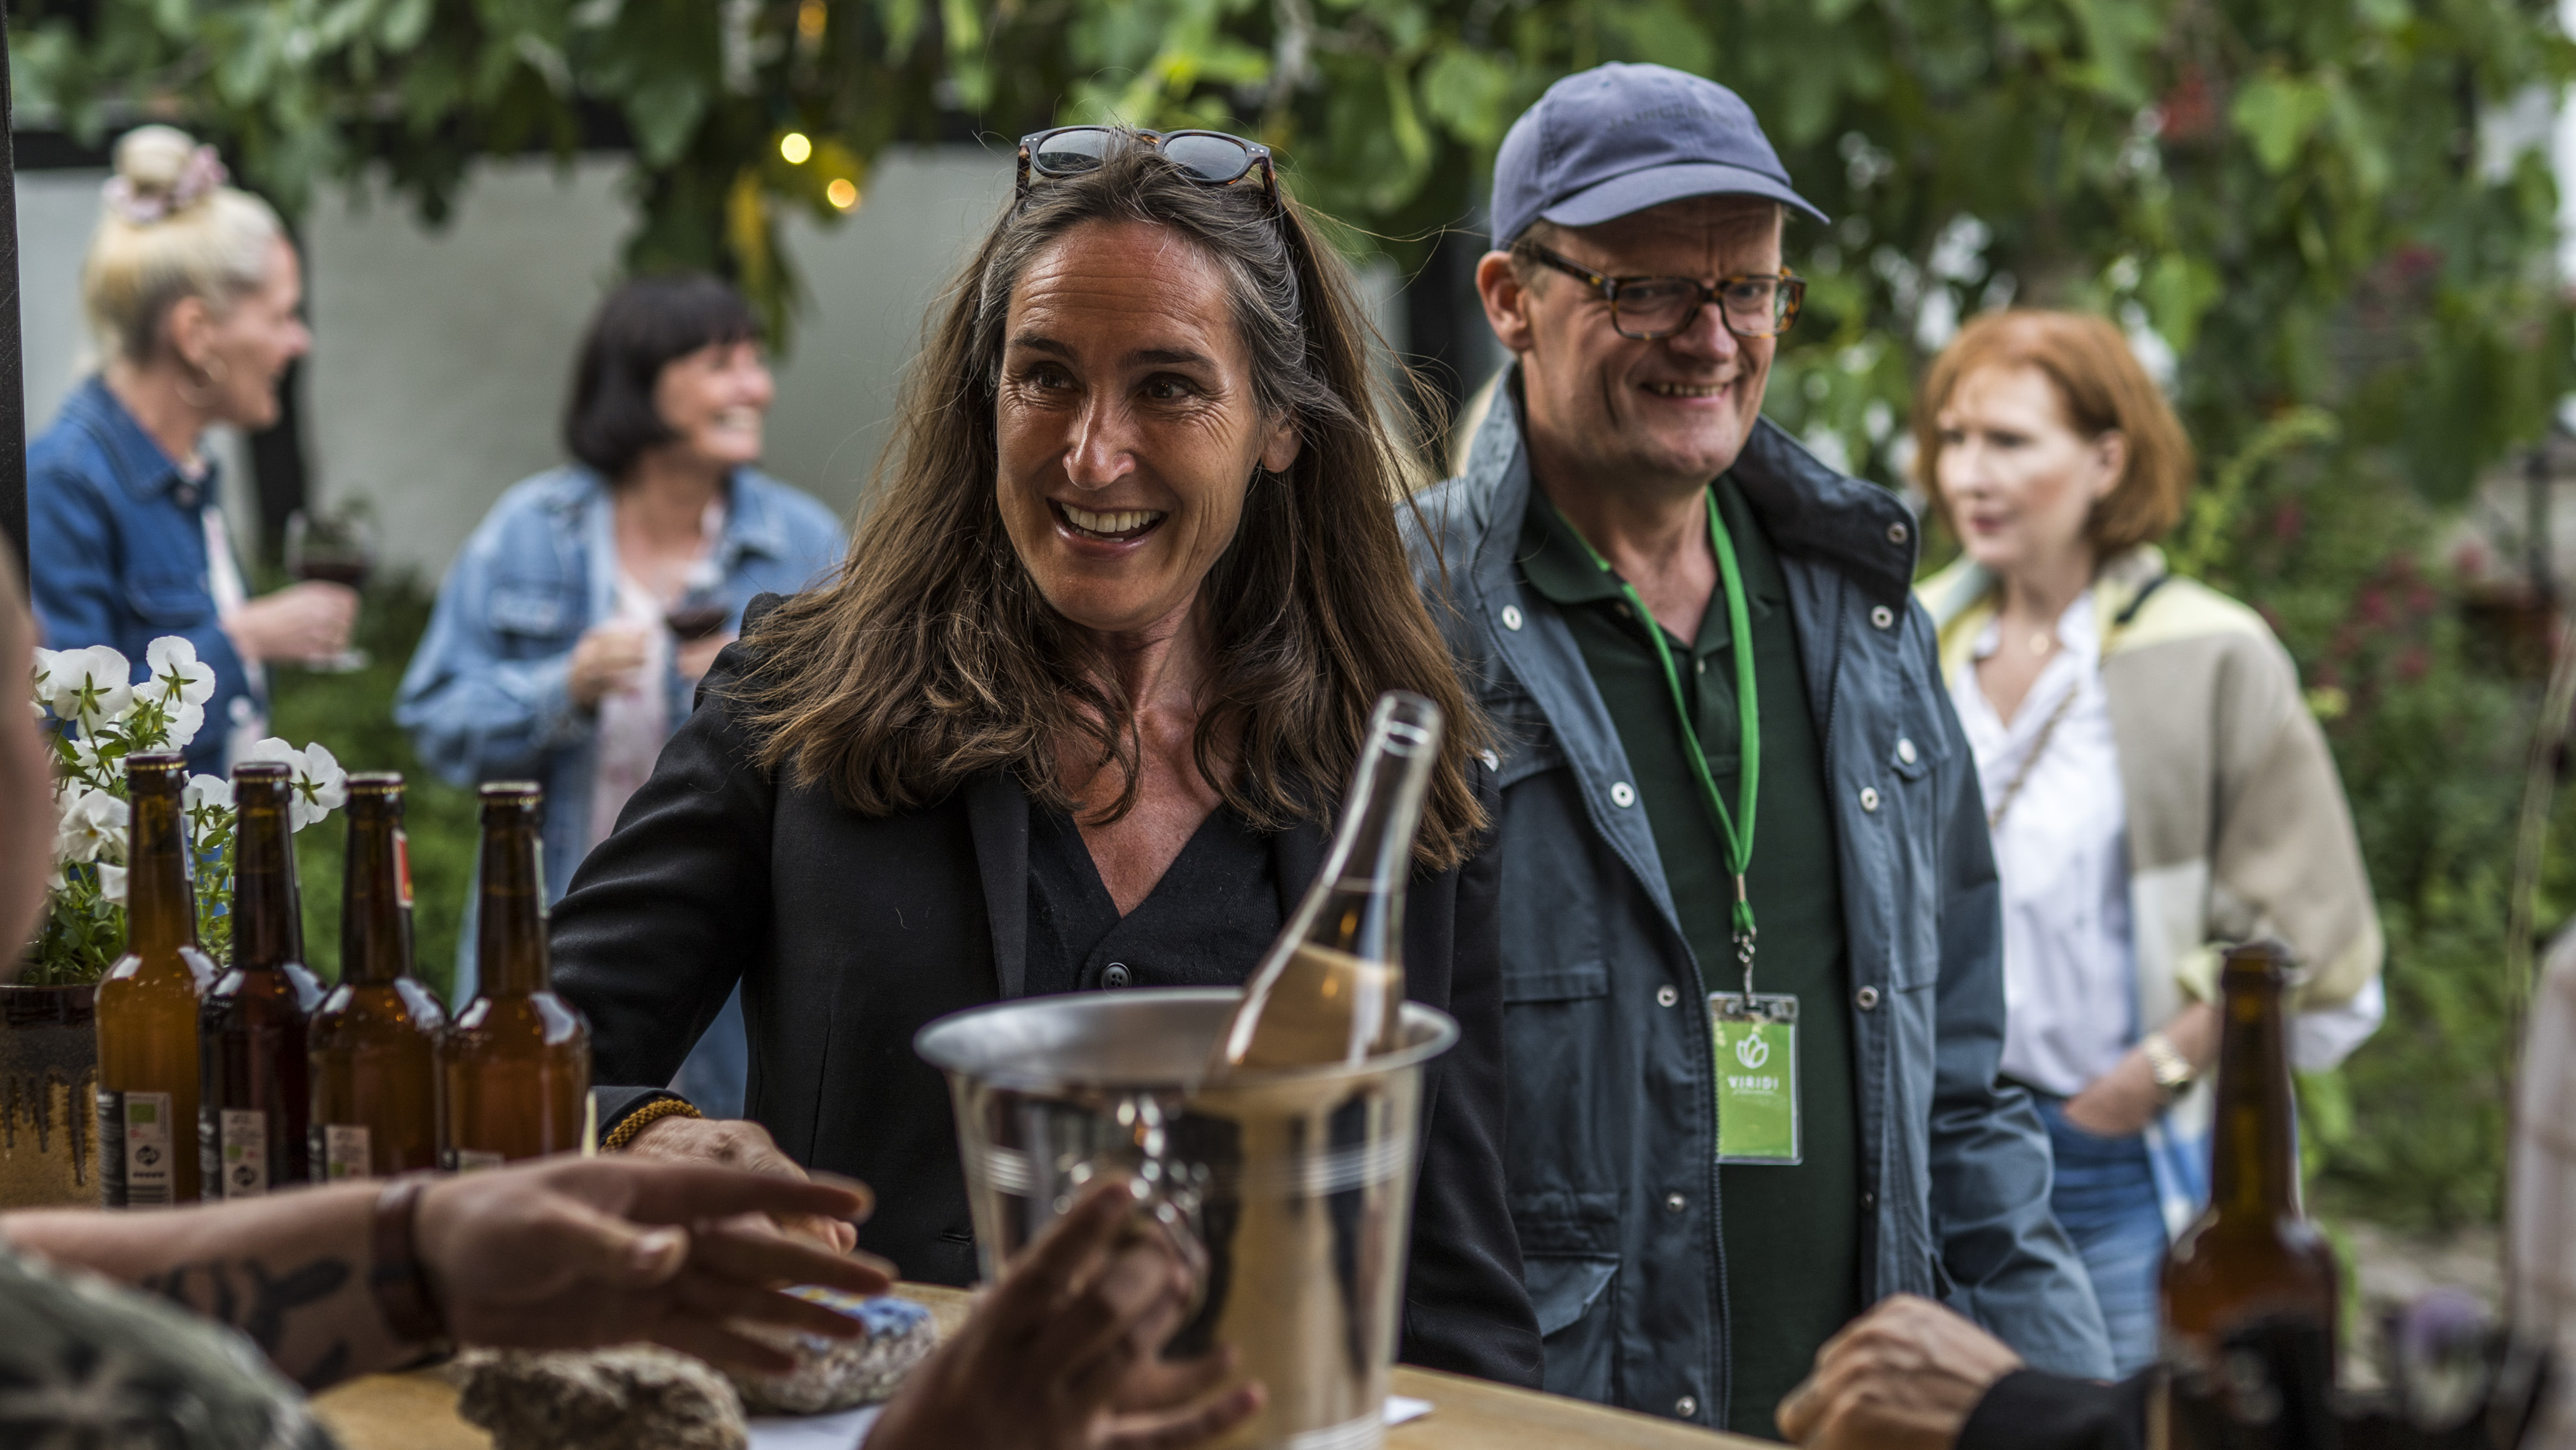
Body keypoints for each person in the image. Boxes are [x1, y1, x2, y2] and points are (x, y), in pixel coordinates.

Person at [548, 130, 1542, 1384]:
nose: (1090, 452)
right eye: (1046, 377)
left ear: (1281, 424)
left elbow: (1448, 1275)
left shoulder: (1391, 783)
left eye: (1170, 386)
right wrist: (651, 1130)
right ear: (988, 394)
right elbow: (539, 1037)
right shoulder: (803, 701)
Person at [0, 555, 1256, 1450]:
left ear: (1283, 428)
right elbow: (563, 1021)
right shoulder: (809, 680)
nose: (49, 748)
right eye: (19, 689)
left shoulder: (1380, 751)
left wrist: (428, 1251)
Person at [1401, 62, 2111, 1434]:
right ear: (1508, 300)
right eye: (1647, 289)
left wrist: (2064, 1398)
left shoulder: (1863, 611)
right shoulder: (1399, 620)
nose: (1713, 338)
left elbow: (1962, 1099)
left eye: (1749, 288)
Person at [1912, 310, 2383, 1373]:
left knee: (2137, 1431)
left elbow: (2307, 921)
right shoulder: (1908, 639)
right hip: (1934, 1148)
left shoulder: (2211, 653)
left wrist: (2153, 1070)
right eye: (1952, 438)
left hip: (2109, 1152)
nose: (1967, 475)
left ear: (2104, 457)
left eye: (2007, 441)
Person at [396, 272, 844, 1117]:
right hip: (551, 939)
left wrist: (760, 686)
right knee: (536, 1157)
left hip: (728, 965)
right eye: (722, 363)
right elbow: (435, 719)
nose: (757, 386)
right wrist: (558, 686)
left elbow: (861, 745)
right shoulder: (530, 531)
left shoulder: (804, 540)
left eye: (754, 361)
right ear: (639, 381)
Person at [29, 124, 357, 775]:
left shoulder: (182, 473)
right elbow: (74, 742)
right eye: (282, 315)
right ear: (197, 332)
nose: (299, 343)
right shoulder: (67, 482)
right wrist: (244, 640)